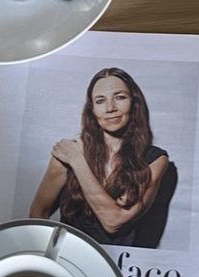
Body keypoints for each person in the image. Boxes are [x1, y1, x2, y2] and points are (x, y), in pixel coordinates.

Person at [29, 67, 176, 248]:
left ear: (134, 103)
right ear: (92, 110)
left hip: (122, 266)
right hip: (72, 260)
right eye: (100, 101)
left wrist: (78, 161)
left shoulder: (155, 160)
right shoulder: (67, 154)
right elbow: (38, 212)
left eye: (120, 97)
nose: (110, 108)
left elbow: (113, 222)